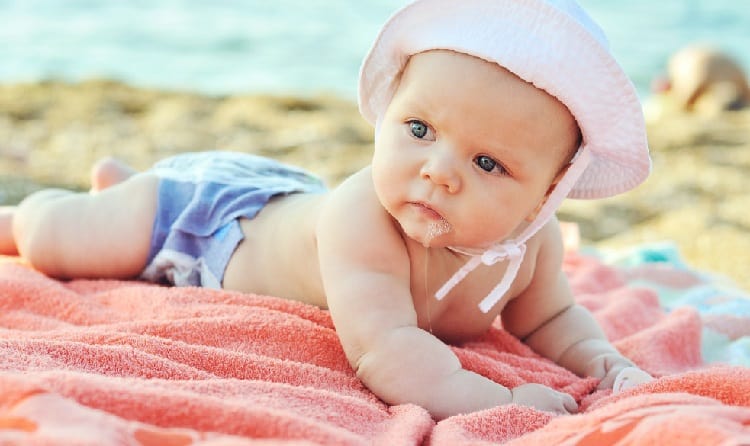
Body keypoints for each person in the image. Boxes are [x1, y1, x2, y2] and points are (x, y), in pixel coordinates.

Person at [0, 0, 652, 419]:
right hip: (211, 223)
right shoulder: (362, 219)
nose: (437, 171)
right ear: (389, 111)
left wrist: (602, 361)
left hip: (275, 199)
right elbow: (389, 351)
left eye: (487, 164)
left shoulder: (529, 246)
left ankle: (116, 185)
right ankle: (44, 208)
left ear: (546, 196)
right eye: (420, 129)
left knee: (105, 212)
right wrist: (508, 403)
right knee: (57, 239)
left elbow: (554, 319)